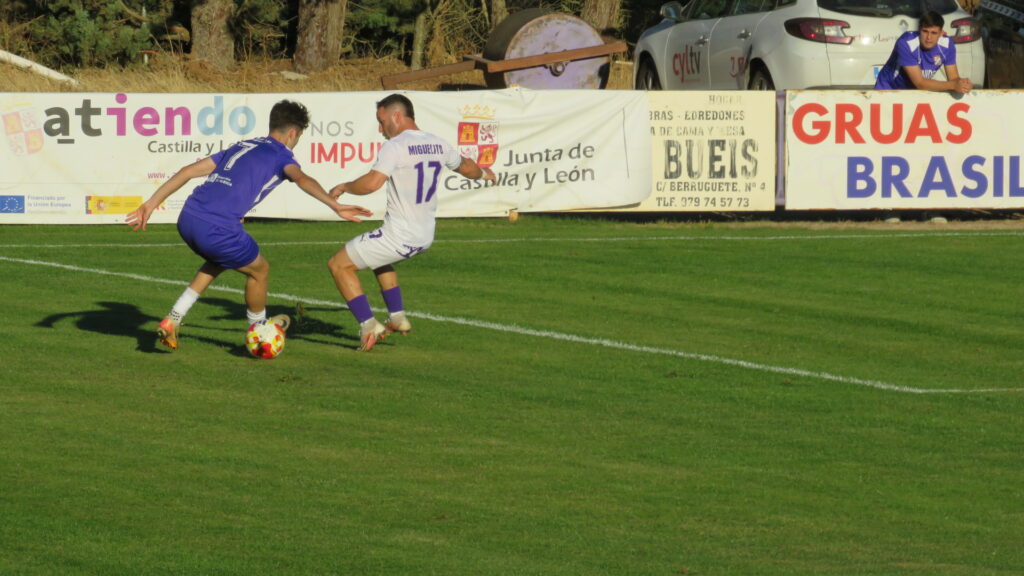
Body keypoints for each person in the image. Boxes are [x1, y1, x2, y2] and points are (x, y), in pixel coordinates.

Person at [126, 100, 372, 351]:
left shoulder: (242, 146)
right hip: (217, 226)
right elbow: (301, 178)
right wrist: (335, 205)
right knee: (260, 270)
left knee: (219, 260)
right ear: (292, 133)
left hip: (188, 217)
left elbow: (188, 171)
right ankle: (259, 329)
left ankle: (173, 319)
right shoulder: (281, 156)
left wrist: (151, 203)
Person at [327, 94, 496, 351]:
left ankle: (368, 324)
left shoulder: (396, 146)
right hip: (424, 235)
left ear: (397, 116)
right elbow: (466, 167)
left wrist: (344, 186)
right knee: (378, 257)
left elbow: (372, 183)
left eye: (382, 121)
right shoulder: (438, 143)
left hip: (400, 234)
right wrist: (485, 173)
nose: (380, 129)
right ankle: (397, 317)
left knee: (339, 265)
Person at [874, 11, 973, 93]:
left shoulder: (947, 45)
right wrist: (953, 85)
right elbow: (920, 83)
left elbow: (954, 78)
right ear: (919, 30)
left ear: (941, 33)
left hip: (915, 92)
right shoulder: (906, 43)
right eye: (925, 31)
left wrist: (963, 84)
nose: (929, 37)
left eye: (934, 33)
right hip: (888, 89)